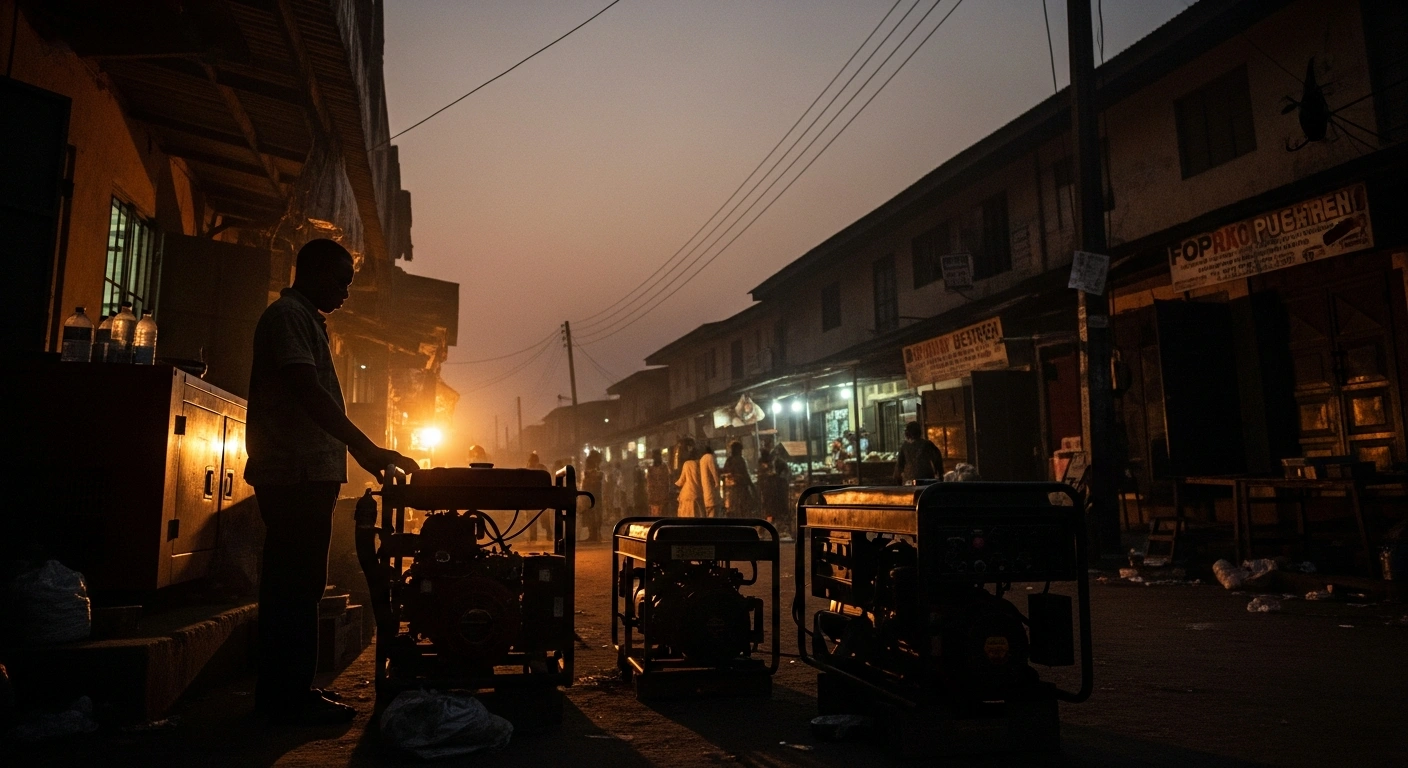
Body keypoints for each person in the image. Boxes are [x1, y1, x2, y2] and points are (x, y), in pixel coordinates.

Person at [244, 238, 417, 725]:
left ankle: (287, 694)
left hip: (305, 472)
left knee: (299, 586)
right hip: (293, 471)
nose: (345, 293)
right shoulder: (288, 318)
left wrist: (359, 453)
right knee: (293, 588)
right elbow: (308, 392)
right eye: (341, 281)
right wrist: (368, 448)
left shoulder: (304, 320)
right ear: (314, 272)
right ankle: (285, 700)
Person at [721, 440, 755, 518]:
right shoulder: (740, 460)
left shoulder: (728, 461)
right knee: (743, 513)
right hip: (740, 491)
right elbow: (746, 476)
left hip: (730, 493)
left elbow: (724, 476)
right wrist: (753, 488)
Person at [525, 452, 551, 543]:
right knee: (544, 519)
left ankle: (533, 538)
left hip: (533, 498)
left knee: (534, 519)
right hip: (541, 497)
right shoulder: (542, 469)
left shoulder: (527, 470)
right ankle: (548, 535)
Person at [580, 451, 605, 541]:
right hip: (594, 496)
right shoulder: (598, 473)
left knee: (591, 514)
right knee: (594, 514)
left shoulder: (593, 473)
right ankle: (595, 534)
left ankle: (594, 535)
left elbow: (589, 485)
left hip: (591, 496)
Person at [675, 444, 705, 517]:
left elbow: (681, 480)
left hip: (686, 495)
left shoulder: (687, 464)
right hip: (698, 495)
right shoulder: (701, 464)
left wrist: (675, 484)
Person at [646, 449, 672, 516]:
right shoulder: (662, 467)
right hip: (657, 495)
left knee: (658, 513)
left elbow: (667, 481)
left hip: (659, 495)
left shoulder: (662, 467)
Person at [698, 443, 721, 517]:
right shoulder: (709, 457)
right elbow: (714, 472)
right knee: (714, 514)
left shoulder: (702, 459)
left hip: (706, 493)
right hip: (712, 492)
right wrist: (717, 483)